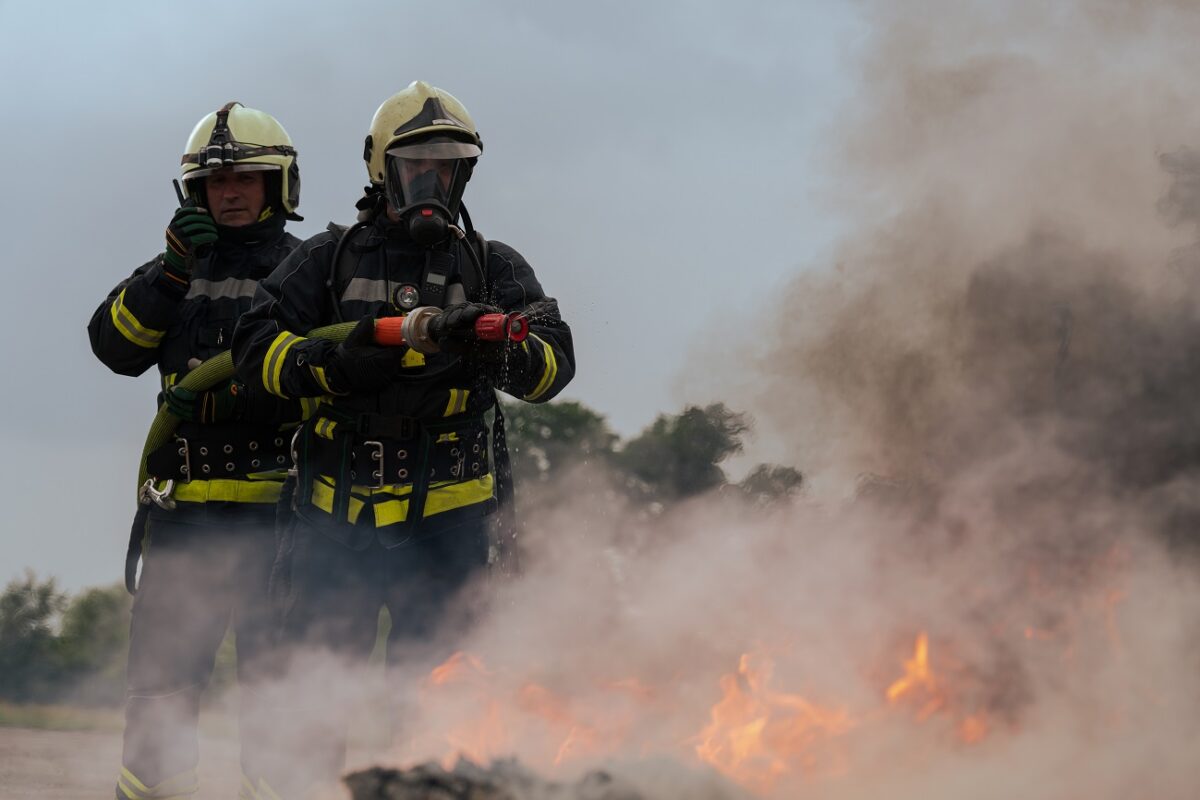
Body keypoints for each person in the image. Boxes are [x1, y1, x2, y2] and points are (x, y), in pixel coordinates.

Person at [230, 80, 575, 795]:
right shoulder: (326, 259)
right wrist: (331, 362)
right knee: (307, 705)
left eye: (446, 168)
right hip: (333, 520)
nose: (432, 181)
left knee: (440, 709)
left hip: (449, 531)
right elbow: (250, 352)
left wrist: (501, 350)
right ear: (380, 168)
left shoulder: (494, 266)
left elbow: (552, 369)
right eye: (417, 166)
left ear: (464, 174)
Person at [88, 102, 306, 800]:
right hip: (183, 528)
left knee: (280, 707)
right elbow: (114, 347)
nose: (231, 192)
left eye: (245, 177)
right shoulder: (172, 273)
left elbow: (337, 370)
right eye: (215, 182)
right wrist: (173, 271)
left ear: (278, 185)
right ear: (195, 194)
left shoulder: (312, 268)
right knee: (158, 703)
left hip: (280, 521)